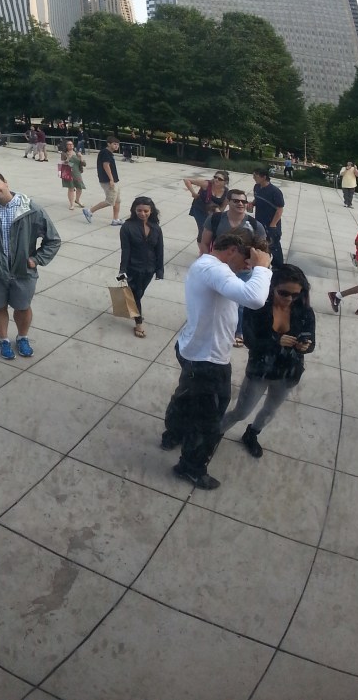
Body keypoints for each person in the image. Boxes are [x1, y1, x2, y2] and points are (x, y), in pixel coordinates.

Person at [162, 228, 272, 490]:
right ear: (232, 250)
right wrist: (263, 268)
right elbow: (255, 298)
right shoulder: (215, 270)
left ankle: (173, 433)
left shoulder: (208, 266)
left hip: (194, 349)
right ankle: (190, 468)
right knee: (209, 419)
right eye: (246, 261)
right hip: (208, 360)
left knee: (186, 395)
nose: (247, 267)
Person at [221, 264, 315, 458]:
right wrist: (275, 341)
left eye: (296, 295)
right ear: (272, 287)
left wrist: (306, 345)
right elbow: (249, 340)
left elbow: (311, 341)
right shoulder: (258, 307)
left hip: (289, 372)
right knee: (241, 411)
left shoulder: (304, 311)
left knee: (270, 410)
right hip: (261, 371)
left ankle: (252, 433)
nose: (290, 299)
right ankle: (213, 433)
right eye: (284, 293)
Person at [0, 168, 61, 360]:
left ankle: (22, 337)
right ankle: (3, 340)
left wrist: (37, 259)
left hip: (23, 271)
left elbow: (53, 240)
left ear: (5, 182)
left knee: (22, 307)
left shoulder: (31, 209)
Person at [201, 187, 267, 347]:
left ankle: (239, 331)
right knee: (214, 299)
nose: (240, 203)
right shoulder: (215, 219)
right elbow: (204, 241)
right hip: (219, 268)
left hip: (243, 270)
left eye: (243, 201)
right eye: (236, 200)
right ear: (228, 202)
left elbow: (263, 250)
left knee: (241, 304)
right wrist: (206, 260)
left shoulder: (254, 224)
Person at [117, 196, 164, 338]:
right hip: (133, 267)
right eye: (139, 210)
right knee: (136, 294)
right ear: (134, 210)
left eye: (145, 211)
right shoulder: (127, 227)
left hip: (149, 269)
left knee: (139, 293)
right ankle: (138, 323)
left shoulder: (156, 228)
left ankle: (134, 310)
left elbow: (160, 249)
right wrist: (122, 271)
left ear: (151, 211)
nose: (142, 213)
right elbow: (125, 250)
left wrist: (159, 270)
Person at [183, 171, 230, 248]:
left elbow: (222, 208)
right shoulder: (206, 184)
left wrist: (217, 214)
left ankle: (206, 247)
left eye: (220, 179)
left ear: (225, 182)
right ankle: (202, 250)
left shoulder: (226, 193)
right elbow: (186, 180)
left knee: (210, 231)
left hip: (212, 213)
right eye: (215, 177)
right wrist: (193, 193)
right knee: (203, 229)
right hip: (199, 209)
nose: (216, 180)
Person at [83, 135, 122, 226]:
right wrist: (111, 179)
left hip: (113, 180)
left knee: (117, 200)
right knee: (110, 201)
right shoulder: (106, 153)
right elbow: (106, 165)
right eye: (114, 144)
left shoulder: (109, 153)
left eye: (117, 144)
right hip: (108, 181)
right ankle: (89, 211)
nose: (116, 146)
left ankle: (115, 219)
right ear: (109, 144)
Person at [250, 169, 285, 268]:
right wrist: (252, 204)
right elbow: (257, 199)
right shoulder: (257, 187)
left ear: (264, 177)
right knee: (260, 243)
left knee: (273, 245)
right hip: (259, 221)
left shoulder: (275, 191)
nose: (254, 178)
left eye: (256, 176)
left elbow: (279, 209)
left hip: (271, 223)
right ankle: (263, 264)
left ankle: (278, 267)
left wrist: (273, 224)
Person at [60, 139, 86, 209]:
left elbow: (84, 164)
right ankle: (71, 204)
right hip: (68, 172)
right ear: (66, 146)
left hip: (77, 172)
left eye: (71, 144)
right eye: (68, 144)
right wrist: (68, 158)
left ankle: (77, 200)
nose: (70, 145)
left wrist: (81, 158)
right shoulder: (64, 153)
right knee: (71, 188)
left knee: (80, 187)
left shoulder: (77, 153)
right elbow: (63, 163)